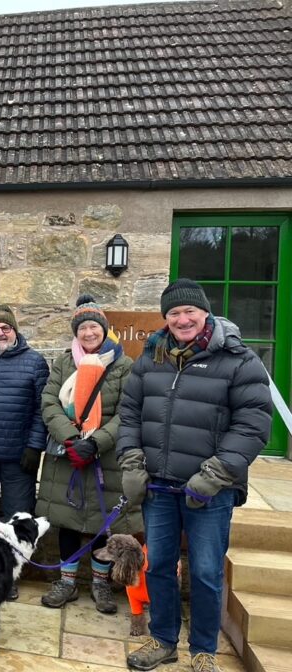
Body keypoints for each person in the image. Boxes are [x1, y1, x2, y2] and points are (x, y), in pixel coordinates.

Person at [118, 279, 272, 672]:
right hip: (160, 487)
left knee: (205, 572)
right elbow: (130, 414)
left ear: (205, 313)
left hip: (210, 491)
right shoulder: (151, 357)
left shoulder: (238, 360)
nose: (182, 319)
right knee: (159, 566)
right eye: (173, 313)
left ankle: (203, 650)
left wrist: (217, 472)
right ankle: (163, 640)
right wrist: (132, 463)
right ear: (165, 318)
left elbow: (253, 425)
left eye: (189, 311)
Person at [36, 294, 140, 614]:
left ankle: (99, 583)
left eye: (94, 327)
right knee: (67, 522)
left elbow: (128, 411)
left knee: (99, 524)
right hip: (68, 455)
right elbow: (49, 402)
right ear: (76, 332)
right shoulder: (65, 362)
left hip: (104, 458)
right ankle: (67, 582)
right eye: (83, 328)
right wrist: (70, 439)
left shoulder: (123, 366)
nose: (88, 333)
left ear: (104, 329)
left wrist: (96, 442)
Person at [0, 304, 50, 600]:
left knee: (17, 519)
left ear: (15, 331)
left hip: (19, 456)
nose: (0, 332)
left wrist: (34, 446)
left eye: (5, 328)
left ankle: (8, 575)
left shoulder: (34, 362)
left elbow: (43, 410)